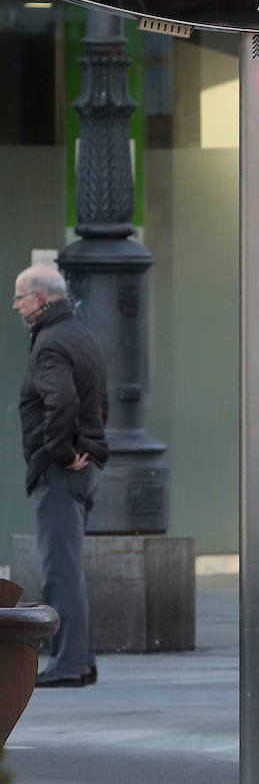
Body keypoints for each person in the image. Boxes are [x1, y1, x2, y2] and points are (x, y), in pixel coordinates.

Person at [13, 265, 109, 687]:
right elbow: (100, 402)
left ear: (40, 299)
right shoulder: (81, 335)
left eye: (20, 297)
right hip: (85, 469)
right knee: (69, 568)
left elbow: (62, 400)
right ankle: (80, 662)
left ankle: (69, 665)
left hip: (63, 472)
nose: (15, 305)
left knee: (60, 571)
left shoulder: (50, 344)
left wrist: (63, 452)